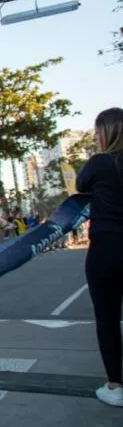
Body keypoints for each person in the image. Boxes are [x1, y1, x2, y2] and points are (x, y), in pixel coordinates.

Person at [76, 107, 123, 407]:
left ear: (104, 132)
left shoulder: (99, 162)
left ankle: (116, 385)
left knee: (107, 317)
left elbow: (81, 186)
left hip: (107, 245)